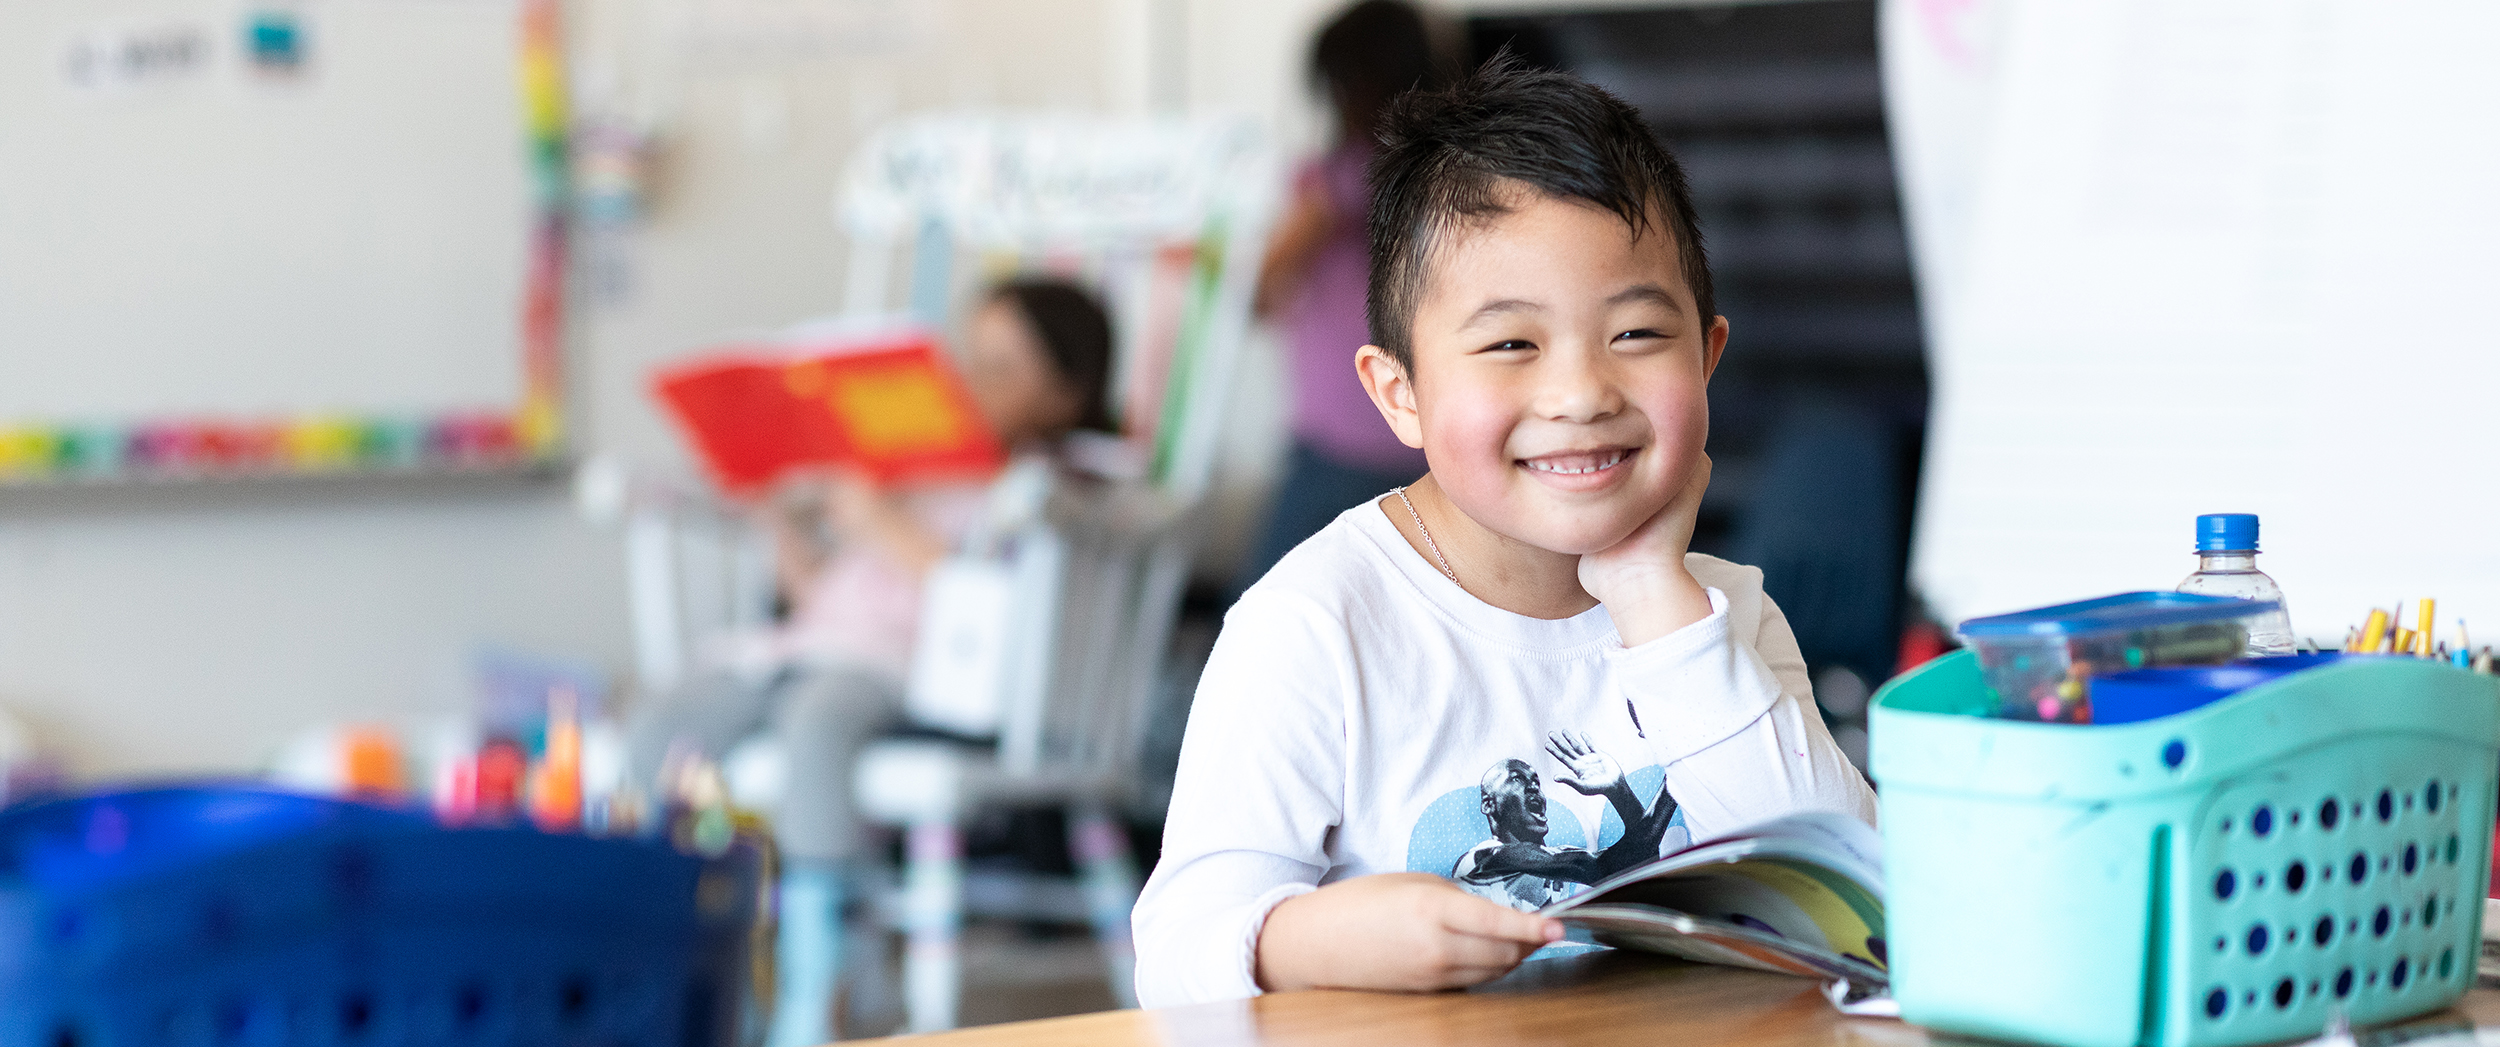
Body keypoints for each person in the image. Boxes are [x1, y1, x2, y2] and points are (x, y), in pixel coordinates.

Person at [1130, 59, 1876, 1006]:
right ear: (1398, 393)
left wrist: (1654, 594)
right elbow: (1175, 951)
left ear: (1707, 354)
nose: (1581, 394)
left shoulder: (1721, 611)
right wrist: (1309, 937)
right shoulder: (1313, 629)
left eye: (1638, 334)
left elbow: (1857, 908)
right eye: (1511, 344)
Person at [628, 276, 1117, 1045]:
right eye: (970, 360)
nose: (975, 383)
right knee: (668, 718)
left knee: (815, 722)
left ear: (1063, 394)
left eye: (1004, 368)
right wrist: (777, 523)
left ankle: (819, 969)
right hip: (809, 643)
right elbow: (820, 593)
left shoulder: (1040, 494)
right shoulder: (912, 473)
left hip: (912, 667)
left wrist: (883, 522)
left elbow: (989, 610)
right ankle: (667, 930)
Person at [1234, 0, 1446, 596]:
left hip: (1337, 445)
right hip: (1427, 441)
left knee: (1272, 599)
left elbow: (1257, 291)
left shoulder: (1334, 179)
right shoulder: (1448, 176)